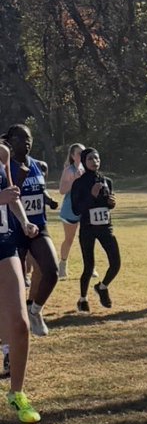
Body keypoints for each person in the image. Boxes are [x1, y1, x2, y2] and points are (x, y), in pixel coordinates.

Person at [5, 126, 59, 337]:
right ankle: (12, 328)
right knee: (16, 282)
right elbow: (12, 194)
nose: (26, 143)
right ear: (10, 142)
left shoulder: (39, 165)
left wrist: (48, 199)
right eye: (20, 139)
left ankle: (34, 310)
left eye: (29, 139)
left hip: (38, 226)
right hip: (13, 229)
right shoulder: (5, 166)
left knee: (51, 271)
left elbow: (39, 189)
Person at [0, 156, 41, 424]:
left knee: (20, 324)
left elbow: (11, 195)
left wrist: (24, 220)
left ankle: (17, 392)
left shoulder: (2, 153)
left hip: (4, 244)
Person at [69, 149, 120, 312]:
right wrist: (91, 195)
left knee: (116, 263)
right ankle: (83, 299)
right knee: (89, 266)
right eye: (90, 158)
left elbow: (107, 204)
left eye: (97, 158)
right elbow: (76, 209)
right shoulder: (79, 183)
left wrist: (111, 203)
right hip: (88, 228)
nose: (94, 161)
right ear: (84, 161)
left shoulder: (107, 181)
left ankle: (102, 287)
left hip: (105, 227)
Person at [57, 143, 85, 280]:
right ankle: (62, 264)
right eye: (79, 153)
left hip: (86, 209)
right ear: (73, 156)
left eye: (84, 153)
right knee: (70, 239)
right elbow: (62, 190)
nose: (82, 156)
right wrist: (75, 179)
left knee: (87, 239)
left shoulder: (88, 169)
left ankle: (90, 267)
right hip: (70, 209)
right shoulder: (69, 170)